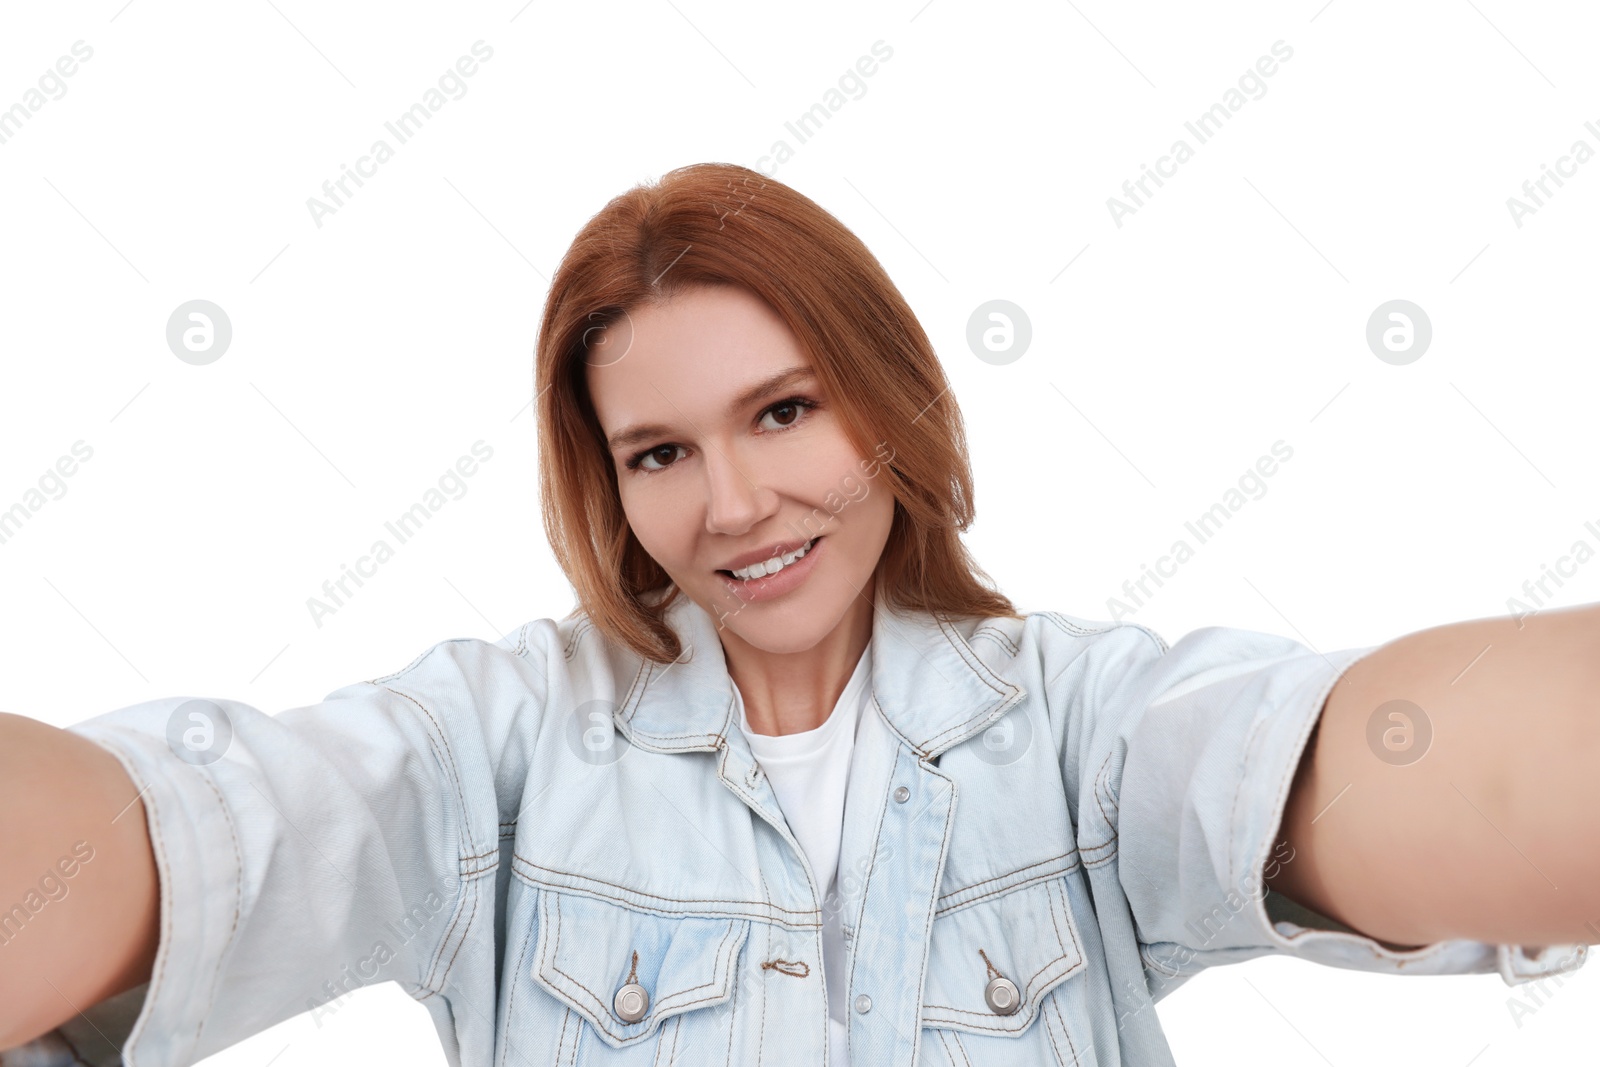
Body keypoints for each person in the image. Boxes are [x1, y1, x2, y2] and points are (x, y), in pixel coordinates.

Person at [0, 162, 1592, 1067]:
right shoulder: (492, 750)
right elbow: (195, 828)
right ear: (606, 485)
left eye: (783, 412)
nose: (738, 505)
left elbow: (1403, 771)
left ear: (887, 400)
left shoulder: (1076, 733)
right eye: (661, 453)